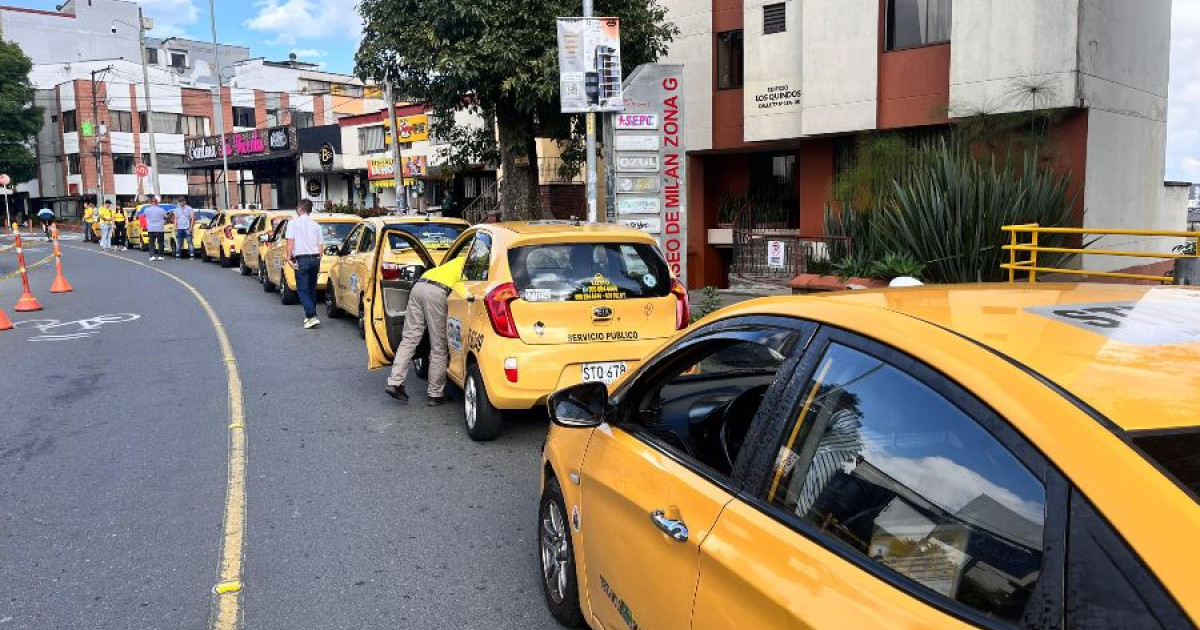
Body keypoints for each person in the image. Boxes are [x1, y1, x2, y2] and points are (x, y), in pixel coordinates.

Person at [383, 253, 465, 406]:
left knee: (409, 339)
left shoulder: (457, 260)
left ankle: (394, 382)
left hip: (419, 285)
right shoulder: (473, 265)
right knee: (439, 346)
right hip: (438, 292)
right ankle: (435, 394)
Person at [285, 199, 323, 329]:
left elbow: (290, 241)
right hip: (315, 258)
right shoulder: (316, 226)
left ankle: (311, 315)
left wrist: (288, 258)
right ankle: (310, 316)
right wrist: (319, 260)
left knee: (302, 289)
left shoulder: (293, 224)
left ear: (300, 209)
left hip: (302, 259)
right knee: (312, 288)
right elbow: (321, 246)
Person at [142, 197, 169, 261]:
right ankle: (160, 256)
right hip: (159, 228)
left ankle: (152, 255)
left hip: (151, 228)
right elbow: (166, 217)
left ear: (151, 202)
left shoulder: (147, 210)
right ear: (157, 203)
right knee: (161, 242)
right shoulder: (161, 210)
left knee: (151, 243)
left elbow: (144, 215)